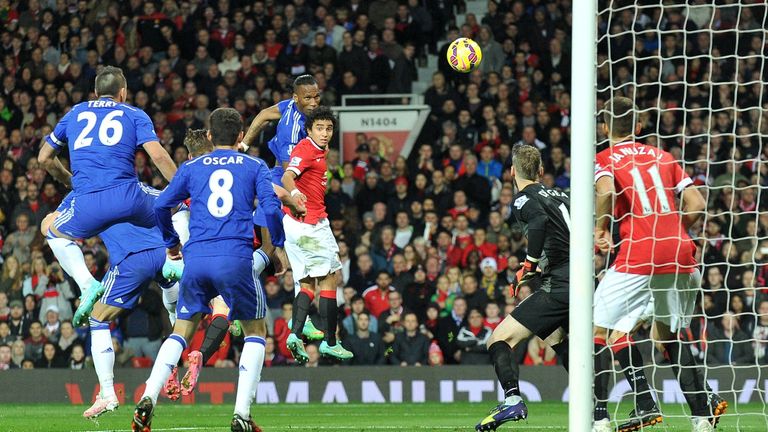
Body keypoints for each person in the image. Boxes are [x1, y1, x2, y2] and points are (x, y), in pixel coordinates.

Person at [133, 108, 296, 432]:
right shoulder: (253, 165)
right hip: (234, 259)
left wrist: (171, 243)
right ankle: (241, 415)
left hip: (196, 260)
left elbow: (163, 204)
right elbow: (271, 206)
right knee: (255, 332)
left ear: (209, 136)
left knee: (181, 331)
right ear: (239, 137)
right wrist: (276, 241)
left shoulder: (193, 167)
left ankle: (148, 397)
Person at [592, 97, 724, 432]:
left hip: (641, 252)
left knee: (595, 330)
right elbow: (697, 202)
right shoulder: (664, 156)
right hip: (681, 252)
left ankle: (600, 418)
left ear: (604, 127)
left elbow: (606, 191)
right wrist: (675, 229)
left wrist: (600, 229)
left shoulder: (604, 158)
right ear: (638, 127)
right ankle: (701, 416)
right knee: (666, 334)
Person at [37, 66, 177, 327]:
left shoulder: (76, 112)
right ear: (122, 93)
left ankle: (87, 283)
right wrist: (184, 185)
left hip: (88, 203)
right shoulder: (134, 113)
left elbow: (44, 157)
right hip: (128, 197)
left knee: (50, 228)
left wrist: (68, 179)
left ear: (95, 92)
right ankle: (174, 260)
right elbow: (157, 156)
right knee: (178, 205)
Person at [39, 192, 181, 419]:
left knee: (98, 318)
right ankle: (178, 355)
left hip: (131, 260)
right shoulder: (133, 185)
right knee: (173, 297)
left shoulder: (83, 195)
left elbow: (50, 225)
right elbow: (176, 202)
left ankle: (107, 393)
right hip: (163, 251)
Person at [475, 145, 570, 432]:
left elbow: (539, 222)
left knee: (498, 340)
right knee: (557, 338)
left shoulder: (521, 199)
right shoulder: (562, 195)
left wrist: (529, 265)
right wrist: (544, 263)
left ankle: (512, 399)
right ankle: (597, 400)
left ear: (512, 172)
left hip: (559, 285)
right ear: (541, 171)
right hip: (578, 280)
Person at [241, 74, 324, 341]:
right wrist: (296, 198)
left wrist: (245, 142)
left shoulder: (288, 106)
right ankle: (233, 301)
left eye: (316, 96)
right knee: (290, 249)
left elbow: (263, 115)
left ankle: (232, 301)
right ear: (297, 97)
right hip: (291, 182)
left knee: (278, 249)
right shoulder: (294, 126)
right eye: (308, 98)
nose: (313, 102)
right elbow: (290, 172)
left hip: (288, 179)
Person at [281, 106, 353, 363]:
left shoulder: (320, 150)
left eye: (328, 128)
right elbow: (288, 175)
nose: (324, 133)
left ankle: (295, 333)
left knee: (308, 284)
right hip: (310, 223)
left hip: (295, 224)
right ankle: (330, 342)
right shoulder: (307, 148)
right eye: (319, 128)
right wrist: (295, 193)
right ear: (309, 130)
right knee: (330, 279)